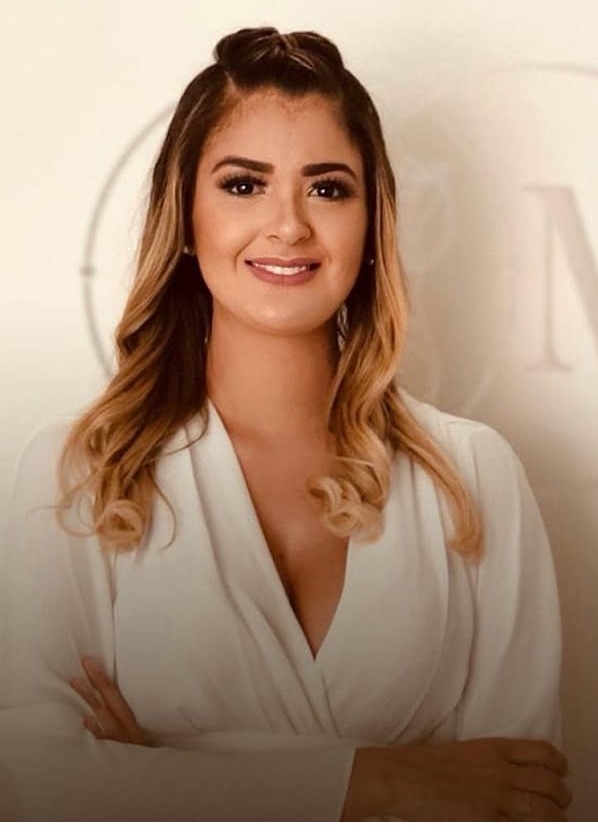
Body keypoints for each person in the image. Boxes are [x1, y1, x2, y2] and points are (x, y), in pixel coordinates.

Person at [0, 27, 569, 821]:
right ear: (185, 216)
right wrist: (384, 780)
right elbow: (39, 789)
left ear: (371, 225)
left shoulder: (472, 475)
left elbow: (518, 798)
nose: (290, 225)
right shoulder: (78, 471)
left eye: (328, 189)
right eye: (244, 185)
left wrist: (165, 772)